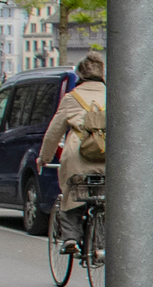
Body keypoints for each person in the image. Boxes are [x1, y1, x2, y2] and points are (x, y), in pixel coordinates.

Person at [33, 54, 108, 243]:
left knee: (71, 196)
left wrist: (44, 158)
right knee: (107, 198)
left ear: (79, 76)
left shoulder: (71, 98)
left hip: (78, 156)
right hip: (109, 157)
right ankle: (101, 242)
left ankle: (71, 239)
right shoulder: (114, 96)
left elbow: (54, 132)